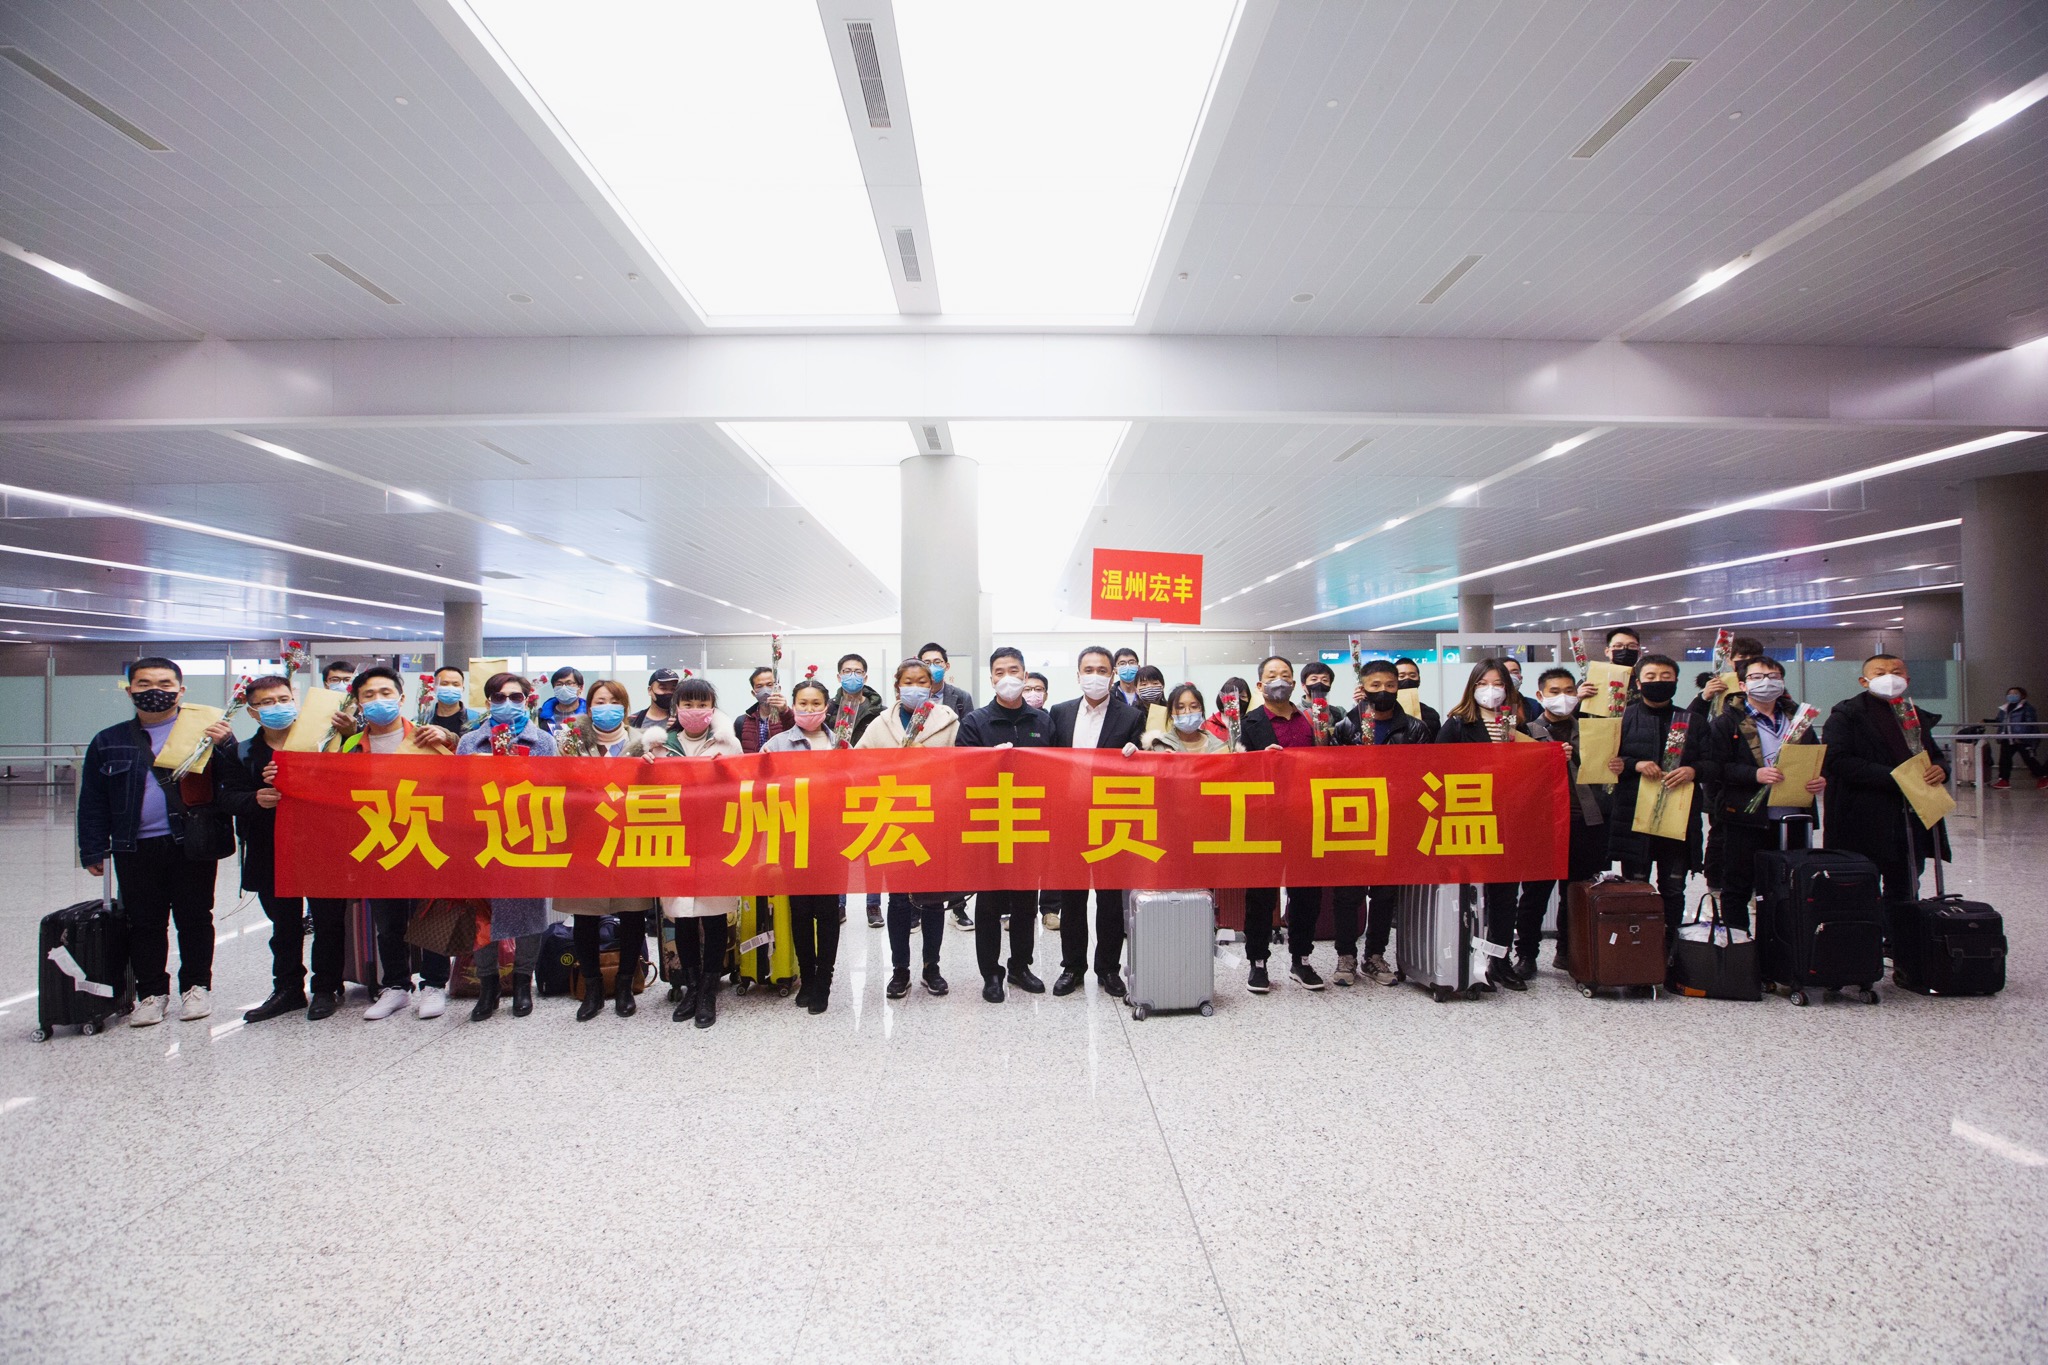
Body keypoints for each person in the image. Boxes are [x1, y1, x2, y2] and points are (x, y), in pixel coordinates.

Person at [76, 657, 234, 1028]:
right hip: (134, 847)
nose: (155, 692)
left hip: (190, 842)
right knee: (144, 922)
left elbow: (231, 779)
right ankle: (151, 993)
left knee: (195, 918)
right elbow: (93, 799)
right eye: (144, 684)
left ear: (181, 690)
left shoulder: (203, 731)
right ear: (129, 690)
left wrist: (225, 744)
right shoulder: (108, 740)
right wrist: (93, 847)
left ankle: (196, 987)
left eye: (164, 684)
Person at [214, 674, 350, 1022]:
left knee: (328, 922)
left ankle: (326, 987)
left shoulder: (324, 742)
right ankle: (288, 989)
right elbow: (226, 797)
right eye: (267, 703)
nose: (278, 707)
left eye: (283, 699)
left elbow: (351, 782)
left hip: (322, 846)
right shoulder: (242, 752)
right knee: (283, 924)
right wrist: (255, 798)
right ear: (252, 711)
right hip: (269, 848)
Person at [336, 666, 457, 1021]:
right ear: (358, 703)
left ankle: (434, 984)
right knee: (387, 922)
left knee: (431, 913)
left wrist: (449, 738)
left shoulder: (425, 738)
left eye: (386, 693)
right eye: (369, 695)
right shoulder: (350, 747)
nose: (378, 700)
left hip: (424, 837)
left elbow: (457, 780)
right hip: (378, 840)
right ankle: (396, 986)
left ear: (401, 698)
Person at [956, 646, 1056, 1002]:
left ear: (1025, 676)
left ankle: (1020, 966)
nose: (1007, 678)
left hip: (1030, 824)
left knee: (1026, 901)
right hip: (989, 825)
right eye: (1000, 672)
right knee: (989, 903)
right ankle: (991, 973)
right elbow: (961, 773)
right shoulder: (976, 722)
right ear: (991, 678)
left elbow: (1058, 770)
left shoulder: (1042, 721)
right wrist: (989, 763)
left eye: (1014, 671)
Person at [856, 659, 960, 999]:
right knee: (898, 900)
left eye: (922, 681)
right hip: (894, 820)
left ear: (932, 685)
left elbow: (962, 767)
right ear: (897, 686)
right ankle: (900, 969)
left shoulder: (947, 721)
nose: (915, 687)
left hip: (934, 819)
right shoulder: (880, 724)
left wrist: (926, 756)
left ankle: (932, 967)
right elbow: (857, 764)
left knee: (932, 899)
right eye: (908, 681)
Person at [1700, 657, 1827, 933]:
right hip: (1745, 817)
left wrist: (1818, 778)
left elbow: (1815, 758)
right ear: (1743, 685)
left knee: (1786, 887)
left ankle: (1779, 948)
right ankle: (1740, 947)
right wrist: (1753, 774)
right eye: (1757, 677)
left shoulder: (1799, 720)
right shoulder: (1727, 722)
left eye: (1773, 676)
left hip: (1793, 817)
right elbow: (1714, 767)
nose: (1766, 682)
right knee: (1738, 887)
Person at [1048, 646, 1147, 999]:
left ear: (1112, 675)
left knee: (1109, 900)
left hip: (1110, 816)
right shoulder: (1059, 713)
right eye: (1088, 669)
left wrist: (1139, 753)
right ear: (1078, 675)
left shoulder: (1130, 716)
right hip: (1070, 816)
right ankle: (1072, 967)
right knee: (1072, 898)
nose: (1095, 676)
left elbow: (1142, 764)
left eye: (1102, 670)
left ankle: (1108, 968)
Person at [1329, 660, 1432, 985]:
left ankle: (1375, 955)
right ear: (1363, 688)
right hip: (1355, 820)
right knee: (1348, 893)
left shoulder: (1415, 728)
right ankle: (1346, 955)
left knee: (1385, 893)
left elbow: (1425, 774)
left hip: (1396, 820)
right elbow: (1332, 772)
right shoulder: (1346, 726)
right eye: (1376, 686)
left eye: (1390, 685)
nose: (1384, 691)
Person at [757, 678, 853, 1013]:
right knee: (799, 912)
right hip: (793, 839)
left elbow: (855, 787)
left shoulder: (840, 744)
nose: (809, 709)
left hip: (831, 841)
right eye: (803, 703)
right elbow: (763, 789)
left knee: (827, 913)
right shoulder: (778, 743)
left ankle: (824, 982)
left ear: (826, 707)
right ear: (793, 705)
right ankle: (807, 978)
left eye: (816, 704)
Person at [1821, 655, 1950, 901]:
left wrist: (1941, 768)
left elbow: (1933, 754)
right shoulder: (1846, 715)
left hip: (1909, 818)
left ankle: (1901, 925)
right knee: (1859, 890)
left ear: (1907, 680)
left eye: (1897, 672)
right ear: (1864, 681)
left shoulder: (1911, 715)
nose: (1890, 678)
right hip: (1862, 817)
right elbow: (1836, 761)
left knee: (1905, 888)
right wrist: (1897, 778)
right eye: (1880, 673)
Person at [1436, 659, 1531, 992]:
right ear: (1472, 687)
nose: (1491, 690)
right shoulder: (1457, 724)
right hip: (1471, 819)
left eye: (1498, 683)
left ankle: (1499, 961)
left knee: (1505, 896)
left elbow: (1532, 768)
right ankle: (1468, 964)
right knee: (1471, 896)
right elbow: (1437, 768)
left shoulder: (1517, 725)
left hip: (1510, 821)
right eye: (1483, 683)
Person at [1237, 656, 1327, 992]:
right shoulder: (1247, 724)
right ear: (1260, 685)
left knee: (1307, 892)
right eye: (1272, 675)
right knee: (1261, 893)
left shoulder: (1312, 720)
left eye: (1285, 675)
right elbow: (1233, 770)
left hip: (1307, 816)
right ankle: (1257, 962)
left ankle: (1301, 959)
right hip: (1265, 818)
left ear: (1295, 683)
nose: (1280, 680)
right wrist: (1260, 762)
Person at [658, 676, 742, 1027]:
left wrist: (728, 773)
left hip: (714, 842)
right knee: (683, 917)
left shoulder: (728, 744)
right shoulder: (661, 745)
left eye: (702, 704)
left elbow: (744, 790)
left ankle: (709, 989)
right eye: (688, 704)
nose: (695, 710)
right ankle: (692, 987)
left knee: (714, 914)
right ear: (676, 708)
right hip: (675, 841)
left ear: (712, 707)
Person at [1518, 667, 1614, 975]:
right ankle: (1527, 955)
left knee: (1576, 892)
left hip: (1586, 821)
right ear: (1540, 695)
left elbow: (1605, 774)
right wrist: (1544, 757)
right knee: (1535, 894)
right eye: (1555, 691)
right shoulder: (1525, 732)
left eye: (1569, 691)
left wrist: (1616, 765)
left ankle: (1568, 952)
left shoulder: (1592, 730)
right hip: (1543, 825)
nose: (1563, 697)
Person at [1604, 653, 1706, 939]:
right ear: (1638, 682)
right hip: (1633, 817)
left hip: (1678, 818)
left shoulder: (1693, 720)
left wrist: (1693, 770)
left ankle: (1671, 947)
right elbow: (1606, 760)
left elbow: (1713, 764)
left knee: (1673, 888)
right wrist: (1634, 764)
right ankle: (1638, 949)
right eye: (1650, 677)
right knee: (1635, 888)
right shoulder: (1622, 719)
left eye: (1665, 677)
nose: (1658, 682)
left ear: (1676, 681)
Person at [1143, 682, 1230, 754]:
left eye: (1194, 706)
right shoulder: (1161, 746)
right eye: (1180, 707)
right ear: (1170, 713)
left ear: (1202, 710)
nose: (1188, 712)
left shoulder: (1219, 747)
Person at [1992, 685, 2046, 789]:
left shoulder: (2027, 708)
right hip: (2007, 738)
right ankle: (2003, 780)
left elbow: (2031, 723)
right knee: (2004, 760)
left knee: (2029, 759)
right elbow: (1999, 721)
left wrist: (2024, 735)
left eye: (2015, 693)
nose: (2012, 695)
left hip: (2021, 739)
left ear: (2022, 696)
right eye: (2010, 693)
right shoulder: (2004, 708)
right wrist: (1987, 721)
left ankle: (2043, 777)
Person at [825, 653, 885, 745]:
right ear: (839, 677)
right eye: (847, 671)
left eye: (858, 672)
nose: (852, 675)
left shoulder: (879, 711)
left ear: (865, 678)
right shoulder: (828, 709)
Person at [736, 665, 792, 754]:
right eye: (759, 686)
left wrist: (785, 712)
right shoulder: (742, 721)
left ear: (778, 688)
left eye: (770, 685)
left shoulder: (788, 717)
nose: (765, 690)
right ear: (753, 693)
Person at [420, 664, 481, 742]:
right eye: (444, 684)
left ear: (462, 689)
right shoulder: (422, 720)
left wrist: (448, 738)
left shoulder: (477, 720)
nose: (450, 688)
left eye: (456, 684)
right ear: (434, 688)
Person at [917, 642, 977, 716]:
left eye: (937, 662)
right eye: (927, 663)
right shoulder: (914, 695)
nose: (932, 667)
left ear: (947, 666)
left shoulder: (962, 697)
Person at [1392, 657, 1442, 741]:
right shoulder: (1386, 712)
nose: (1407, 679)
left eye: (1412, 676)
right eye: (1401, 676)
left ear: (1419, 680)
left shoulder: (1431, 714)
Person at [1204, 676, 1254, 748]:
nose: (1238, 700)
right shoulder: (1208, 725)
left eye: (1242, 696)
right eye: (1233, 696)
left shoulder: (1251, 723)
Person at [536, 666, 586, 734]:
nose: (563, 688)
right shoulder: (541, 716)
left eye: (569, 683)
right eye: (559, 684)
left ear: (581, 687)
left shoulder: (589, 715)